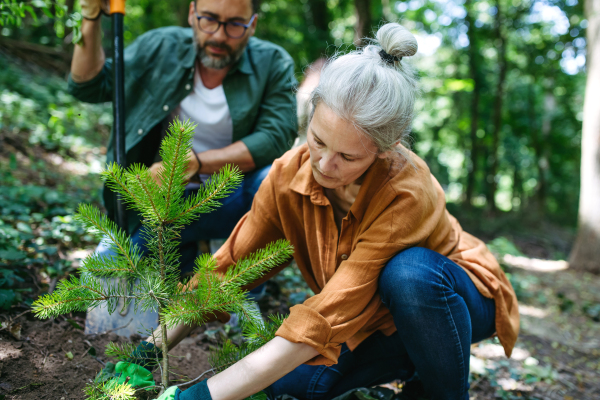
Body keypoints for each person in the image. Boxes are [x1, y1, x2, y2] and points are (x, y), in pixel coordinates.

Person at [119, 23, 519, 400]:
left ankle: (442, 388)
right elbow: (229, 267)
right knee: (299, 385)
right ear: (311, 114)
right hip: (375, 315)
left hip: (450, 295)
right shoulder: (287, 175)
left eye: (347, 156)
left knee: (408, 275)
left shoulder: (406, 191)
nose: (325, 165)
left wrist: (203, 396)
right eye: (318, 141)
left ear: (386, 146)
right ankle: (420, 359)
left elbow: (330, 311)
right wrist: (149, 352)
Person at [71, 0, 297, 277]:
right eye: (209, 19)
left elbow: (276, 137)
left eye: (235, 24)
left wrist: (196, 163)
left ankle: (240, 270)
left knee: (275, 182)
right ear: (192, 13)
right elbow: (89, 85)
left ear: (253, 25)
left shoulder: (273, 62)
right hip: (159, 203)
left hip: (232, 198)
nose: (218, 35)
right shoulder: (159, 47)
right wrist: (90, 18)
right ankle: (200, 251)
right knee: (102, 276)